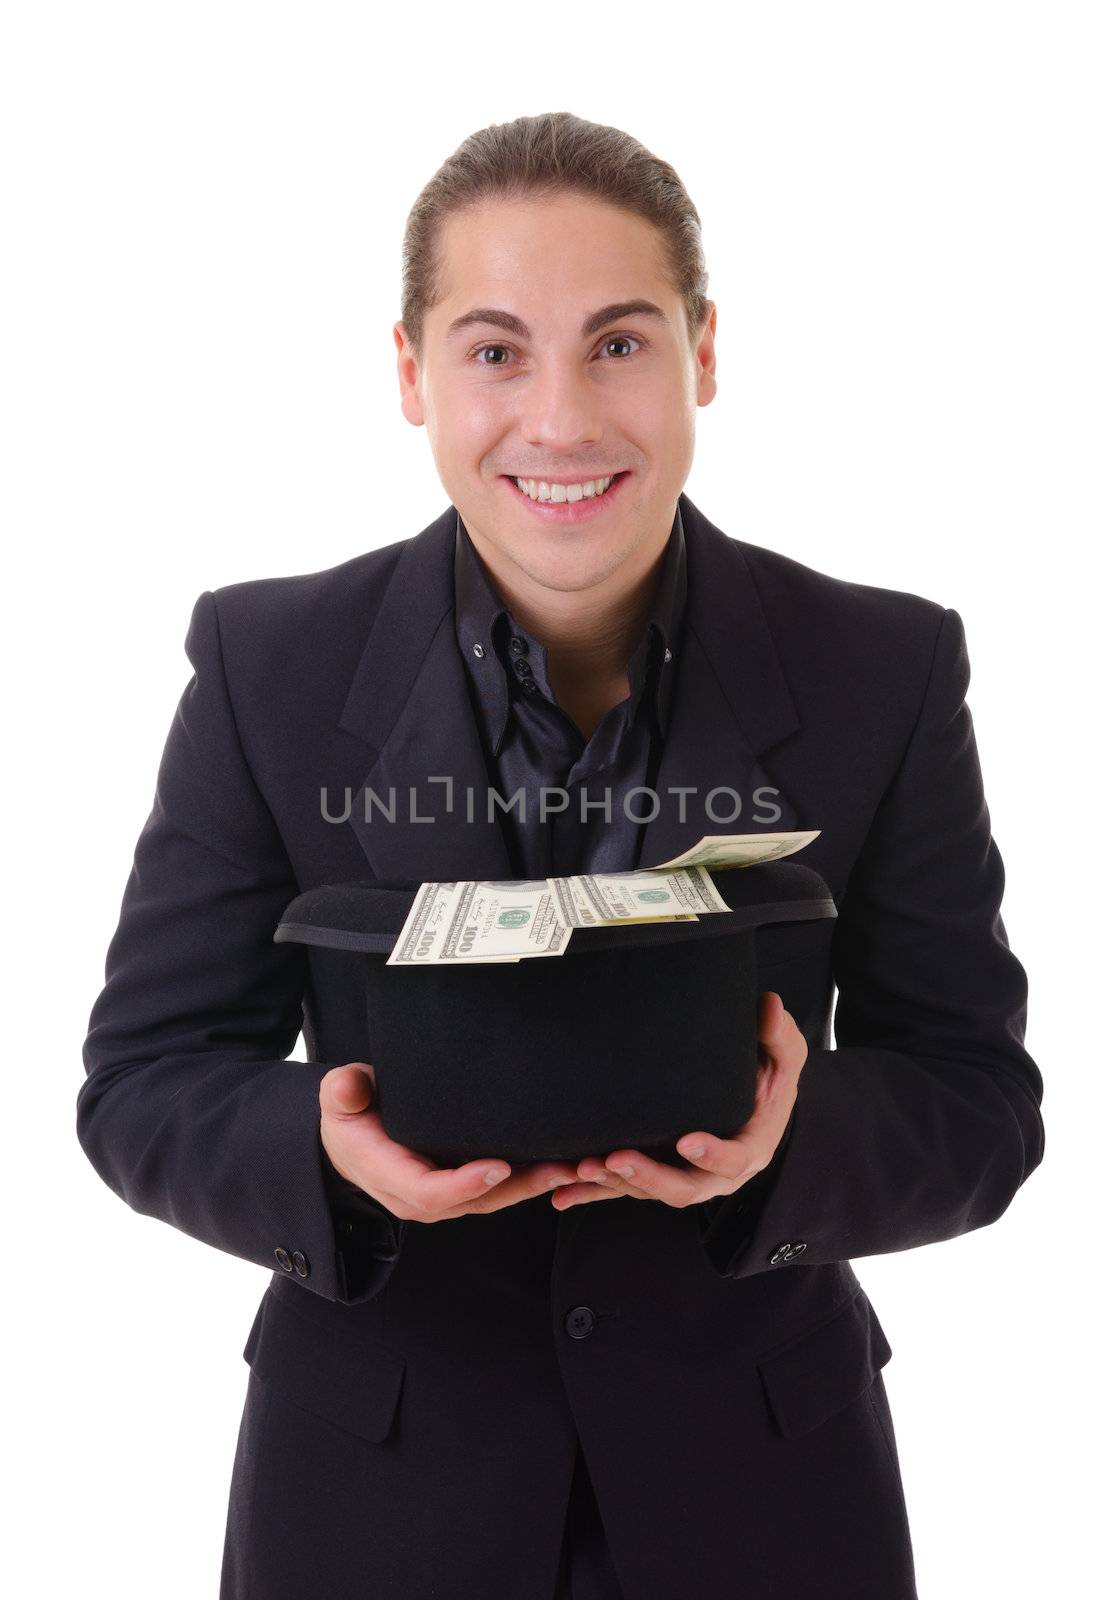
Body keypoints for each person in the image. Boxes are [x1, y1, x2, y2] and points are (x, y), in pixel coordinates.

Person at [78, 112, 1044, 1600]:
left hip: (766, 1500)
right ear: (409, 374)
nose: (559, 420)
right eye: (492, 351)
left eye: (616, 343)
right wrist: (324, 1167)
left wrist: (788, 1154)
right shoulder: (266, 663)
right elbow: (145, 1079)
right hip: (377, 1501)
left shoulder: (883, 668)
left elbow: (976, 1103)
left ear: (701, 354)